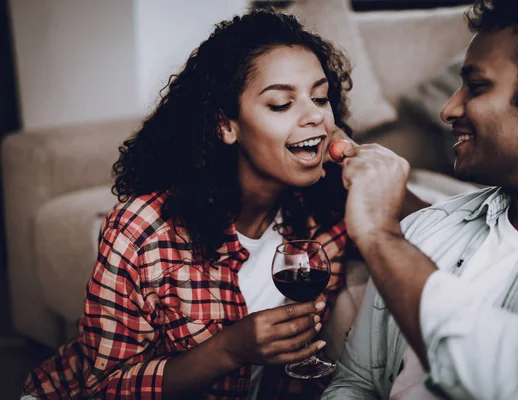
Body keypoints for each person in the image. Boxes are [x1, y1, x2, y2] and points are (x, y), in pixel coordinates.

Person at [22, 8, 358, 399]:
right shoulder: (142, 230)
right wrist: (230, 349)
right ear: (225, 125)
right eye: (281, 104)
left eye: (320, 97)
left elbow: (433, 229)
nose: (315, 115)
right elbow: (105, 389)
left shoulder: (328, 217)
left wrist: (373, 165)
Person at [322, 0, 518, 399]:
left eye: (477, 85)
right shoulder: (425, 228)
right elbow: (356, 382)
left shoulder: (393, 241)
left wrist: (382, 237)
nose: (449, 108)